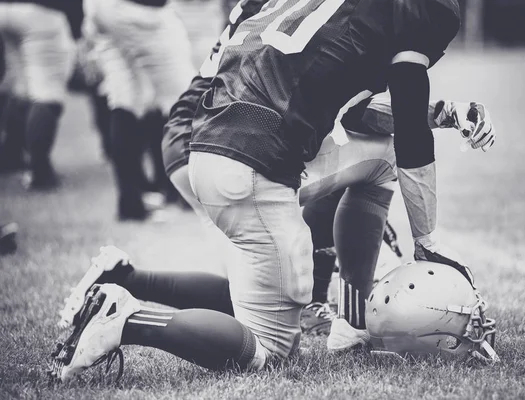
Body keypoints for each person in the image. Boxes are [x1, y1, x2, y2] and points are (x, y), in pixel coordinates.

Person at [52, 0, 496, 380]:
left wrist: (440, 112)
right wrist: (427, 241)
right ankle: (126, 317)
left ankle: (350, 320)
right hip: (244, 157)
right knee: (269, 347)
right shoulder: (419, 10)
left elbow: (356, 114)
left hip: (217, 137)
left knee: (376, 162)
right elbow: (406, 112)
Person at [81, 0, 196, 220]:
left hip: (101, 8)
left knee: (126, 99)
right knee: (186, 97)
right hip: (138, 10)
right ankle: (190, 196)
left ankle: (131, 204)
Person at [0, 0, 77, 189]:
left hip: (5, 10)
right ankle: (41, 173)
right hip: (40, 11)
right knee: (47, 93)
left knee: (21, 88)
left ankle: (11, 157)